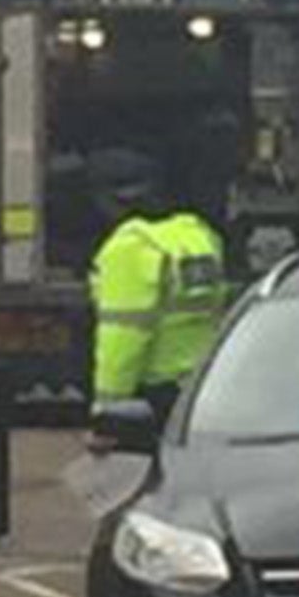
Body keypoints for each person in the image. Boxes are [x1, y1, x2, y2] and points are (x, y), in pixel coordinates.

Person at [88, 150, 228, 430]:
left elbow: (123, 339)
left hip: (158, 394)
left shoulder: (131, 249)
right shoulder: (198, 236)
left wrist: (107, 410)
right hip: (204, 384)